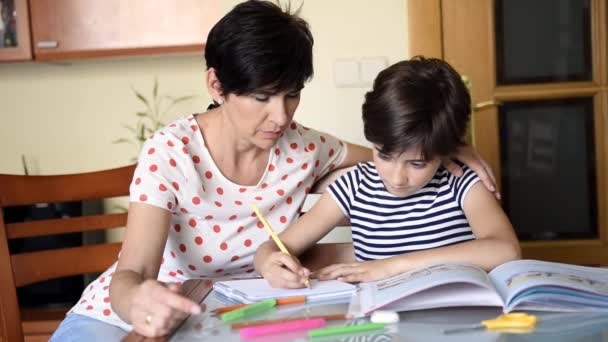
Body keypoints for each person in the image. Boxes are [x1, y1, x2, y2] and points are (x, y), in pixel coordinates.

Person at [50, 2, 498, 340]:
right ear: (217, 86)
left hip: (233, 319)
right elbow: (134, 270)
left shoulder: (305, 147)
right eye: (262, 98)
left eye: (292, 95)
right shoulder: (170, 152)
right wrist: (138, 300)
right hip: (127, 318)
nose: (280, 118)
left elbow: (394, 151)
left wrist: (452, 144)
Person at [254, 57, 521, 289]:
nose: (396, 178)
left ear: (446, 151)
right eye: (384, 155)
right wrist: (269, 262)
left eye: (417, 164)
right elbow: (275, 247)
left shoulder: (461, 183)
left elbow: (506, 250)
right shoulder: (353, 187)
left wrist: (392, 266)